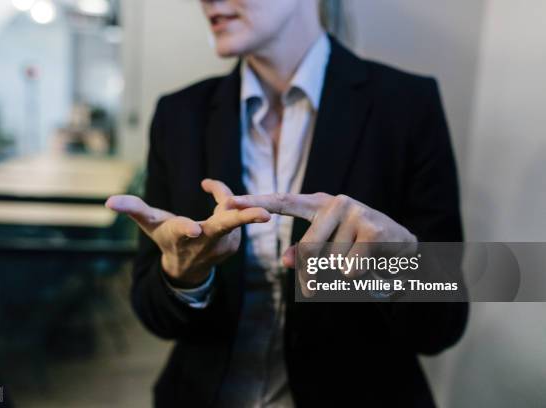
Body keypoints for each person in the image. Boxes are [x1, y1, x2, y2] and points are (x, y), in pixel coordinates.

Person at [106, 0, 468, 406]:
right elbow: (154, 314)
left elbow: (444, 326)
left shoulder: (406, 106)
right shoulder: (180, 115)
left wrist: (398, 267)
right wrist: (183, 277)